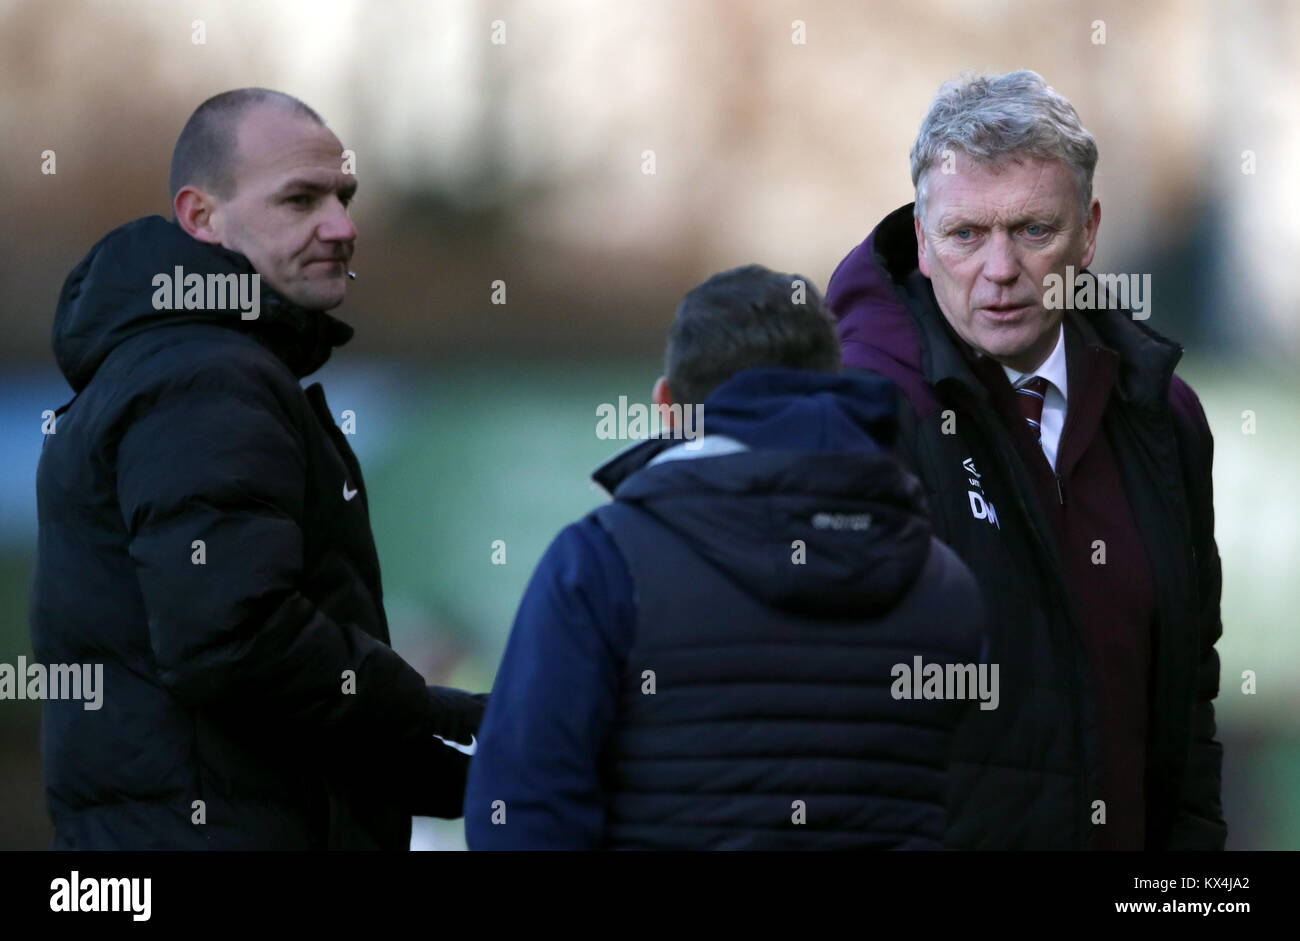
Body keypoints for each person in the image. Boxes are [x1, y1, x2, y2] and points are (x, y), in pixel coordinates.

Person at [29, 88, 485, 849]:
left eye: (344, 196)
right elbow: (236, 642)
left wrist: (472, 762)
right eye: (300, 199)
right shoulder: (207, 374)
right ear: (201, 217)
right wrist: (441, 716)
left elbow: (269, 703)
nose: (341, 226)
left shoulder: (184, 361)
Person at [826, 70, 1226, 849]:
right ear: (922, 240)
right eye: (966, 234)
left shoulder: (1164, 417)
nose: (1000, 269)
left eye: (1033, 231)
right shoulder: (861, 415)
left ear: (1089, 230)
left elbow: (1188, 696)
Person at [465, 264, 985, 850]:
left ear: (668, 407)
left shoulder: (600, 561)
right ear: (829, 386)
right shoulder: (945, 578)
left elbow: (521, 807)